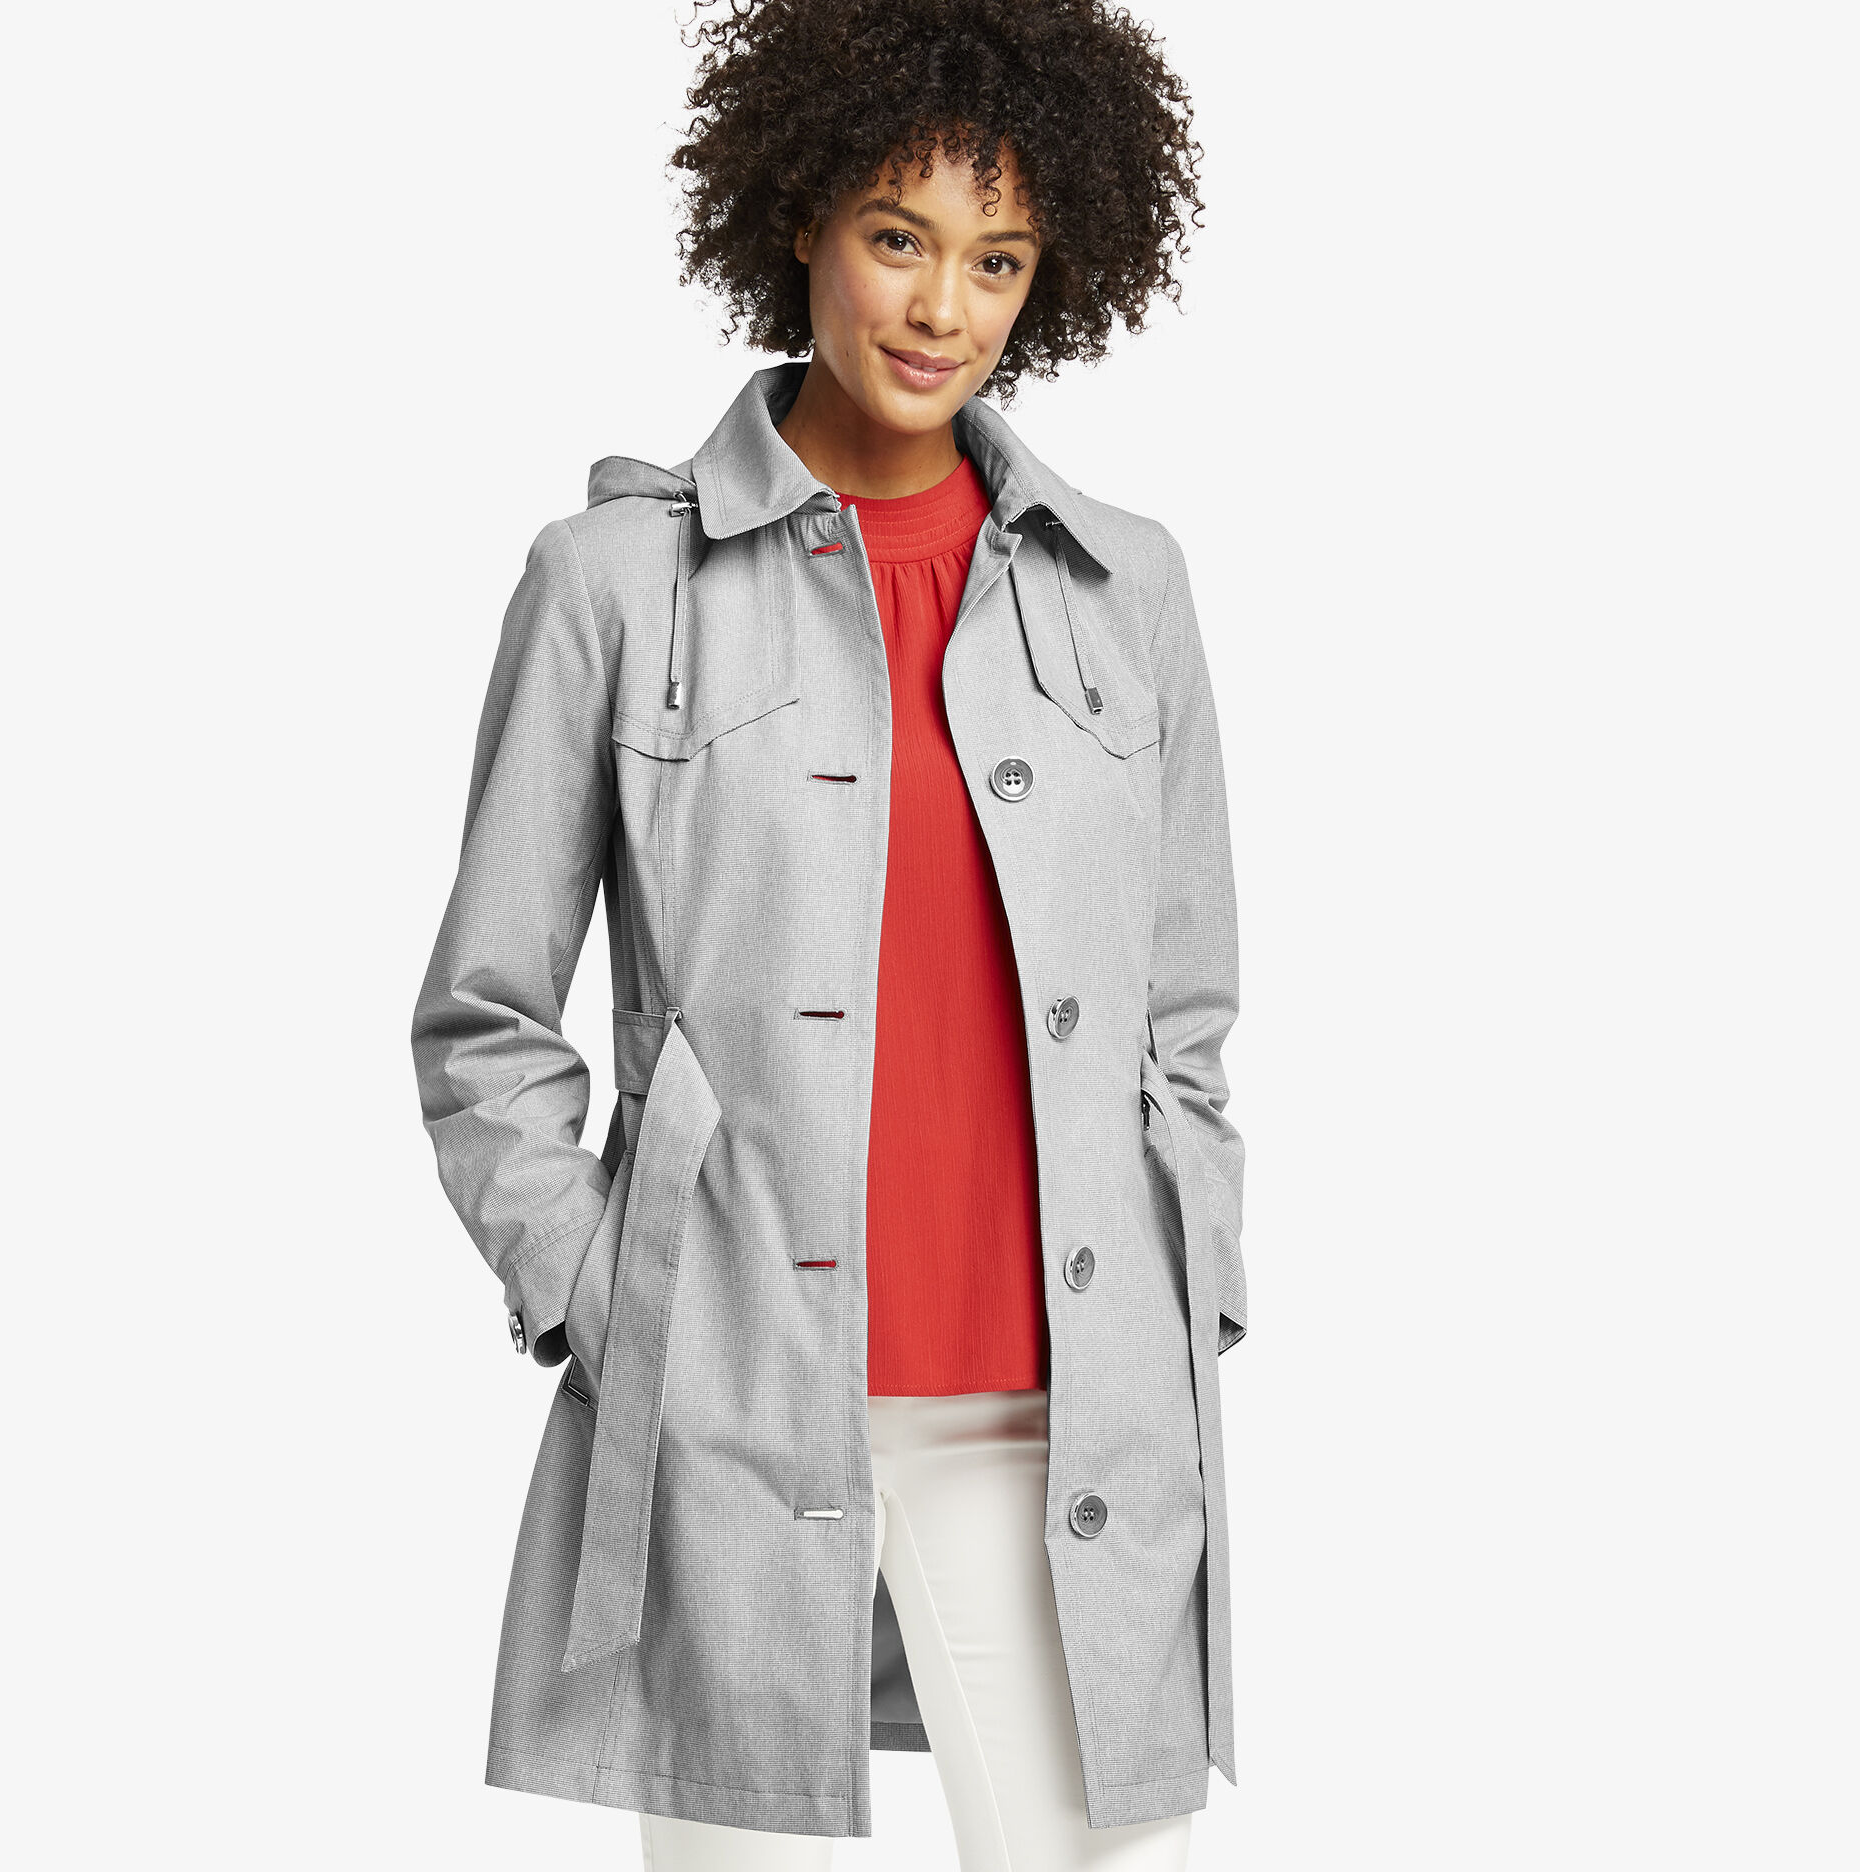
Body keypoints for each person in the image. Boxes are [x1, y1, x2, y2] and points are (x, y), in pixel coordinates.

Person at [409, 2, 1247, 1866]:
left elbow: (1184, 1013)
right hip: (731, 1399)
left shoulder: (1129, 590)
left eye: (997, 259)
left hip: (1056, 1409)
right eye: (897, 236)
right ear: (798, 218)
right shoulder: (612, 585)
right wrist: (610, 1298)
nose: (944, 307)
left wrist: (1192, 1283)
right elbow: (484, 1020)